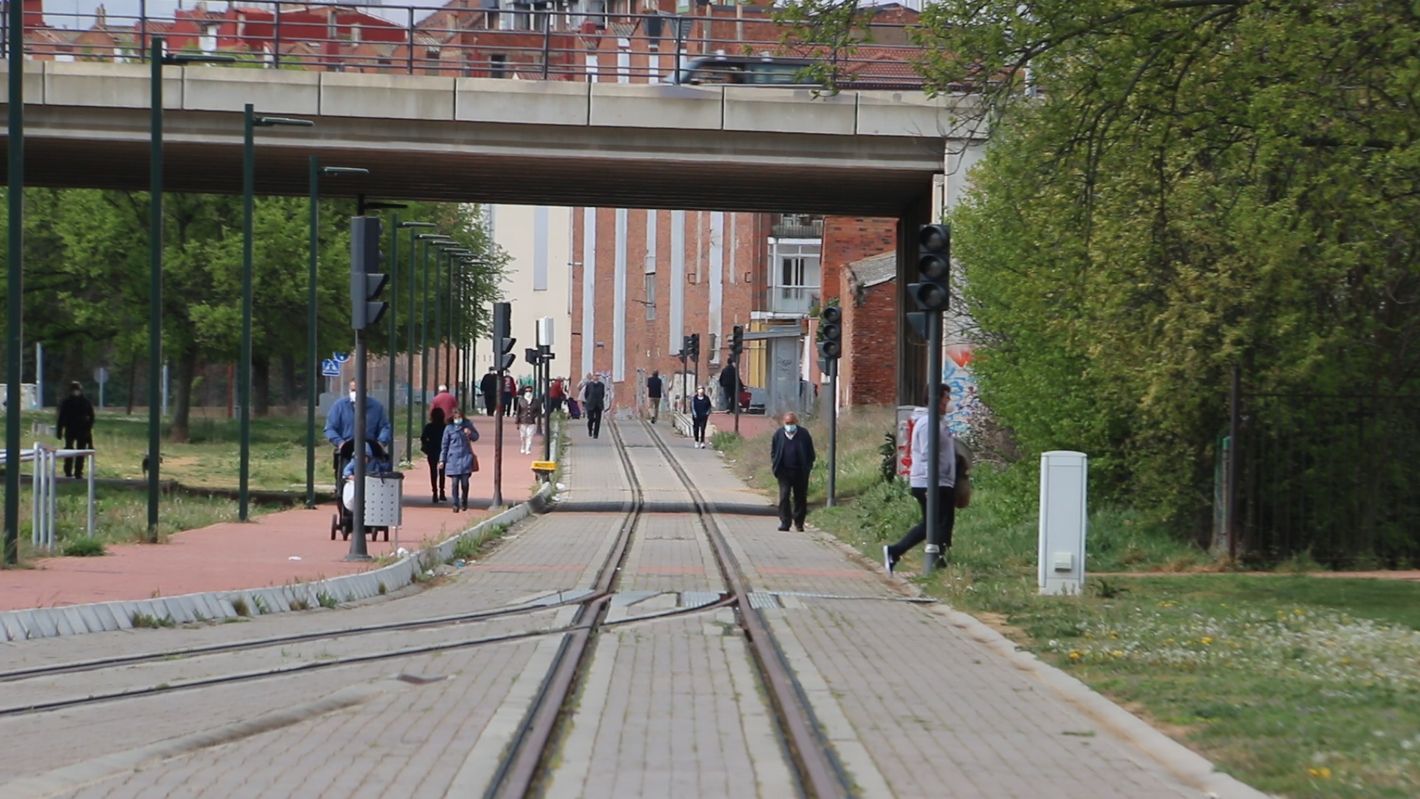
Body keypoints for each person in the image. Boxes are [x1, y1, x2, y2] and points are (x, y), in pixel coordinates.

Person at [883, 385, 956, 574]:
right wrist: (932, 484)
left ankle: (937, 558)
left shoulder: (937, 422)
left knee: (940, 522)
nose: (948, 401)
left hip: (940, 480)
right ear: (936, 399)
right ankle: (902, 552)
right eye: (946, 397)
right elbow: (928, 454)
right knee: (936, 523)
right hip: (930, 481)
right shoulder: (928, 423)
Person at [769, 412, 815, 531]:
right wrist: (775, 464)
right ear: (784, 423)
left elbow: (810, 452)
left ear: (796, 422)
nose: (790, 426)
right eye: (787, 423)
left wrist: (808, 466)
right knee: (784, 496)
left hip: (800, 471)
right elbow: (774, 451)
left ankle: (799, 523)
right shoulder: (779, 434)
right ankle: (785, 522)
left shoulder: (803, 434)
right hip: (784, 472)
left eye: (792, 423)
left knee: (800, 497)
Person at [324, 379, 393, 454]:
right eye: (353, 390)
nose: (356, 393)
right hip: (347, 449)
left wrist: (380, 443)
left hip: (371, 450)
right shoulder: (339, 406)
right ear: (349, 390)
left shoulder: (377, 407)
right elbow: (330, 429)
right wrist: (340, 443)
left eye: (359, 390)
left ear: (365, 391)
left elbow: (385, 427)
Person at [437, 408, 480, 513]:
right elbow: (444, 445)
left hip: (466, 457)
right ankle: (455, 503)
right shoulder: (449, 428)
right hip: (453, 459)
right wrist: (442, 460)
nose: (458, 420)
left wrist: (469, 433)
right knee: (455, 483)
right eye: (456, 418)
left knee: (465, 483)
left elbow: (476, 437)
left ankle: (464, 500)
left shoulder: (467, 424)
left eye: (459, 417)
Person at [56, 380, 95, 478]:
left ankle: (78, 471)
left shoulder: (85, 402)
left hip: (82, 430)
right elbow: (61, 417)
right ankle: (68, 471)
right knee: (68, 450)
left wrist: (88, 429)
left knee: (80, 451)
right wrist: (59, 430)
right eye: (74, 390)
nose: (76, 392)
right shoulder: (67, 402)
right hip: (70, 429)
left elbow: (91, 416)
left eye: (77, 390)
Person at [420, 407, 447, 503]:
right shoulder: (445, 427)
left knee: (433, 472)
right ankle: (442, 492)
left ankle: (435, 492)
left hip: (431, 451)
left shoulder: (429, 427)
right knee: (442, 473)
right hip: (442, 452)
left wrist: (427, 445)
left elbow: (423, 438)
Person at [515, 386, 542, 455]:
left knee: (530, 436)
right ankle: (523, 446)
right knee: (523, 436)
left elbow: (539, 411)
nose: (528, 393)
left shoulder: (535, 401)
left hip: (531, 421)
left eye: (530, 391)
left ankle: (528, 449)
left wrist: (535, 416)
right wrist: (517, 422)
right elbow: (518, 411)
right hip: (522, 420)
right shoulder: (521, 400)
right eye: (527, 391)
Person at [582, 373, 606, 438]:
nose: (597, 377)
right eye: (595, 375)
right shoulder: (589, 385)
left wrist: (599, 400)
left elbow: (602, 394)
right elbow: (586, 394)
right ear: (593, 377)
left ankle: (596, 434)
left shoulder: (601, 385)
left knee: (598, 420)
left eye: (598, 376)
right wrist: (589, 400)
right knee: (591, 418)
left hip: (599, 404)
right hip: (590, 404)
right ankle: (590, 430)